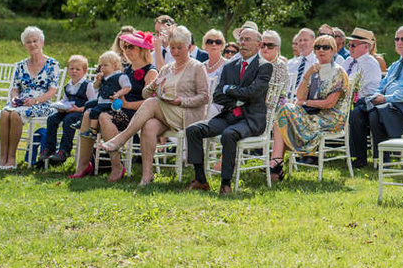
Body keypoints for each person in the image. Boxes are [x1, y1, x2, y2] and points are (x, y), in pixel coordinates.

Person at [97, 26, 210, 187]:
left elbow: (204, 97)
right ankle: (147, 175)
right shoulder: (166, 68)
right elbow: (145, 94)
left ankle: (122, 138)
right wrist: (153, 86)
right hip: (166, 112)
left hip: (187, 114)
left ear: (188, 47)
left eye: (179, 48)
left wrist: (181, 101)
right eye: (172, 48)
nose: (175, 51)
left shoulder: (197, 67)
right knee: (149, 125)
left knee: (152, 102)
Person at [184, 26, 272, 195]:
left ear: (259, 44)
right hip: (229, 115)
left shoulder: (264, 66)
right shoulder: (230, 66)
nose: (243, 43)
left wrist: (229, 89)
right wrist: (238, 97)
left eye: (247, 40)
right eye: (241, 39)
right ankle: (200, 179)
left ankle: (225, 183)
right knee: (193, 130)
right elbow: (217, 96)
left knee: (229, 134)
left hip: (251, 119)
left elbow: (254, 93)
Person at [70, 31, 158, 181]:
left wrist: (127, 104)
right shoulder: (125, 70)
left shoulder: (151, 72)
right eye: (125, 47)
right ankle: (83, 165)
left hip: (136, 113)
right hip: (115, 108)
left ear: (142, 50)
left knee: (104, 117)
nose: (127, 50)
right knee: (87, 113)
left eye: (131, 47)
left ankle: (117, 166)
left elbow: (152, 103)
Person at [348, 26, 403, 168]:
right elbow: (382, 85)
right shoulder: (396, 64)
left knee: (377, 113)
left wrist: (386, 98)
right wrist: (375, 95)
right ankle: (360, 158)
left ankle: (383, 159)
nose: (399, 42)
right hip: (388, 103)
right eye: (397, 39)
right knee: (357, 112)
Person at [270, 35, 350, 180]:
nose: (321, 50)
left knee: (285, 112)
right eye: (317, 47)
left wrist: (305, 103)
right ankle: (277, 163)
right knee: (282, 112)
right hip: (313, 114)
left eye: (326, 47)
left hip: (330, 118)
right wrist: (307, 74)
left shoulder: (338, 72)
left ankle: (275, 163)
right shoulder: (314, 71)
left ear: (333, 51)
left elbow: (329, 104)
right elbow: (300, 97)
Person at [0, 26, 59, 169]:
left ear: (42, 42)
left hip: (41, 104)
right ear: (25, 45)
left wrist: (35, 100)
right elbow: (14, 88)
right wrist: (14, 99)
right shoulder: (20, 65)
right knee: (5, 113)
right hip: (21, 102)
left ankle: (11, 158)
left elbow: (52, 91)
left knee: (16, 115)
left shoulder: (52, 64)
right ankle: (3, 157)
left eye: (35, 41)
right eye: (28, 42)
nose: (32, 44)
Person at [42, 55, 96, 166]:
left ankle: (64, 150)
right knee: (52, 119)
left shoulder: (88, 85)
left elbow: (93, 103)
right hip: (68, 110)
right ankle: (49, 148)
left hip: (81, 113)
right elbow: (65, 101)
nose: (74, 71)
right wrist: (60, 107)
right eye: (71, 69)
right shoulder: (68, 86)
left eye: (77, 69)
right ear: (67, 70)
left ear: (84, 71)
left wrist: (79, 109)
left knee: (69, 120)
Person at [78, 51, 132, 139]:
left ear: (115, 66)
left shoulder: (120, 76)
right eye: (101, 65)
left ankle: (93, 130)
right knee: (88, 104)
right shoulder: (103, 77)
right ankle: (81, 122)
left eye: (105, 65)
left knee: (95, 110)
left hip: (109, 102)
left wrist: (118, 94)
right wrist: (98, 80)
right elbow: (95, 88)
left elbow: (127, 87)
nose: (102, 68)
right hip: (101, 99)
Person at [342, 28, 382, 104]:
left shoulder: (371, 64)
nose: (350, 48)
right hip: (345, 99)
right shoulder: (349, 60)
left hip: (362, 104)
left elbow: (354, 88)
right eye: (349, 45)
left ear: (366, 47)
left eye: (353, 45)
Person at [201, 29, 230, 118]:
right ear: (205, 45)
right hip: (200, 103)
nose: (214, 44)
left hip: (218, 107)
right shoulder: (201, 66)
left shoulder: (228, 66)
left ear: (222, 46)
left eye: (218, 42)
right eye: (210, 42)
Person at [287, 28, 317, 95]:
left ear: (313, 42)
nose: (302, 43)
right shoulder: (291, 64)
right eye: (300, 40)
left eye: (305, 40)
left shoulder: (318, 63)